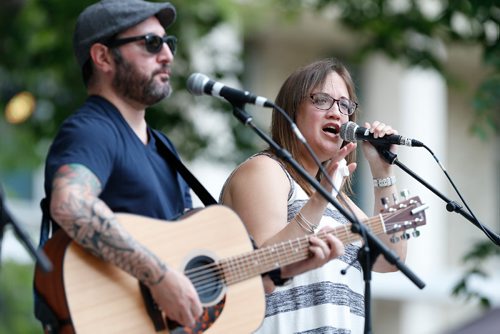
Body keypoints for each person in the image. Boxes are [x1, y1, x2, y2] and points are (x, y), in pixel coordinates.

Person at [36, 1, 342, 332]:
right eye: (151, 44)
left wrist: (286, 268)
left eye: (169, 43)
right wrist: (159, 276)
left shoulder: (162, 146)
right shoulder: (93, 130)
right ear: (103, 57)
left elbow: (200, 270)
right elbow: (70, 204)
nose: (167, 55)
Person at [219, 58, 408, 333]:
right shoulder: (267, 171)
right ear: (291, 111)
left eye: (345, 105)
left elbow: (392, 259)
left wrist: (383, 172)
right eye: (322, 100)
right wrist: (320, 199)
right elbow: (263, 269)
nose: (337, 113)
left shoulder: (341, 202)